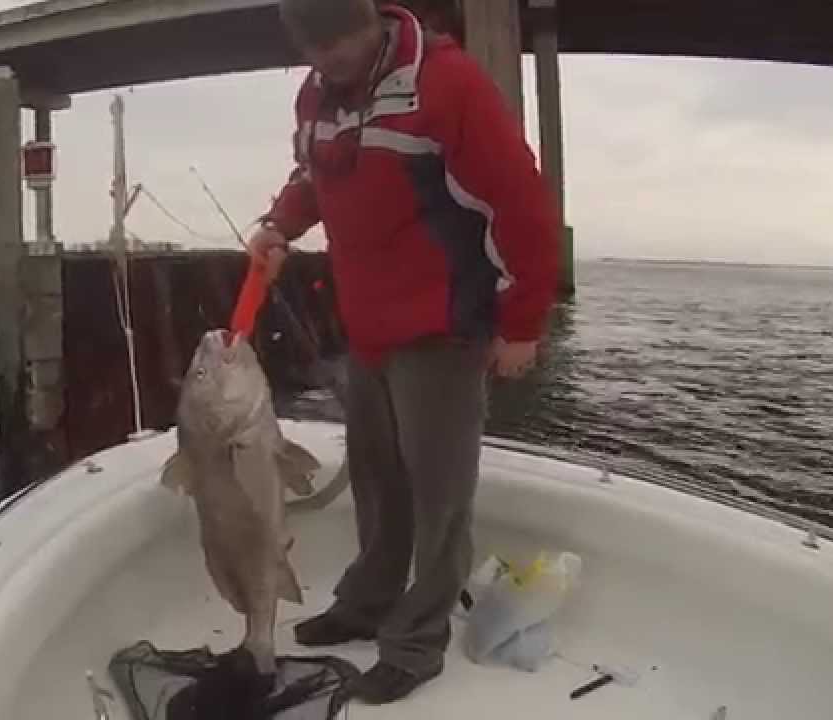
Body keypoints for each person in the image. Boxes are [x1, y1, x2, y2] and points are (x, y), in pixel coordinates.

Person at [250, 0, 561, 705]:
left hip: (442, 327)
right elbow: (314, 176)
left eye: (342, 39)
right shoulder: (316, 96)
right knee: (377, 475)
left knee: (438, 492)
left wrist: (522, 324)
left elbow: (520, 204)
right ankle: (367, 602)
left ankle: (417, 642)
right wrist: (279, 225)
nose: (332, 57)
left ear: (371, 17)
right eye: (316, 48)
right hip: (367, 327)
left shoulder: (448, 84)